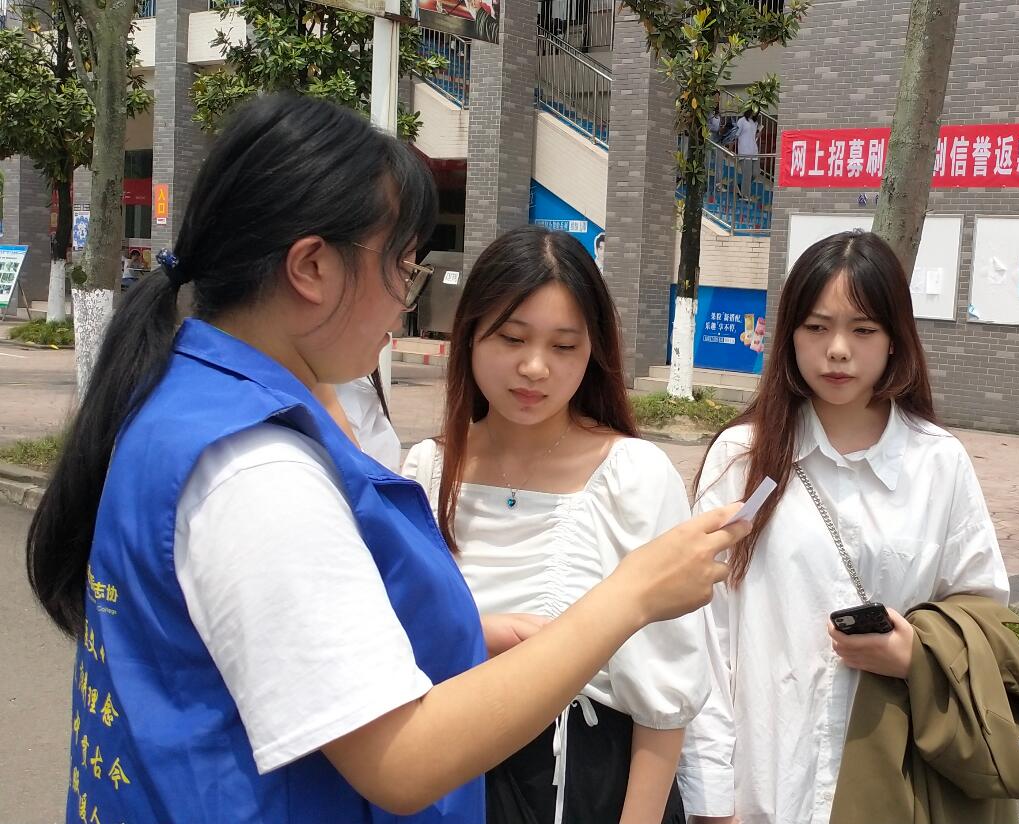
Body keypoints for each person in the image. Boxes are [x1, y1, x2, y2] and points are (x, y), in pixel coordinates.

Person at [24, 94, 749, 824]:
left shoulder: (185, 402)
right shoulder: (262, 472)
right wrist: (630, 596)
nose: (405, 301)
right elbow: (403, 763)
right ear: (312, 267)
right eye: (402, 267)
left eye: (563, 345)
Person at [678, 230, 1010, 824]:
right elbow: (704, 633)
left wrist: (916, 655)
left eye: (862, 330)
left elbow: (981, 610)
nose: (837, 351)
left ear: (894, 339)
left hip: (890, 785)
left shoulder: (938, 463)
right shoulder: (741, 457)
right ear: (789, 335)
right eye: (816, 327)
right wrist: (711, 797)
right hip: (763, 788)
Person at [402, 225, 708, 824]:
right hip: (448, 776)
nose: (535, 367)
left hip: (587, 783)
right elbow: (395, 637)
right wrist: (480, 633)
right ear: (469, 334)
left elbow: (665, 687)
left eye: (564, 346)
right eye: (512, 338)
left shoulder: (632, 475)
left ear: (593, 351)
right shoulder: (428, 469)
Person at [733, 111, 761, 199]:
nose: (755, 112)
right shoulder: (742, 121)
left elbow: (753, 136)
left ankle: (741, 186)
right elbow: (735, 134)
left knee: (756, 173)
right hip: (744, 151)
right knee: (747, 174)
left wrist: (758, 134)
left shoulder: (755, 122)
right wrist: (730, 147)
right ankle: (745, 195)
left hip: (754, 151)